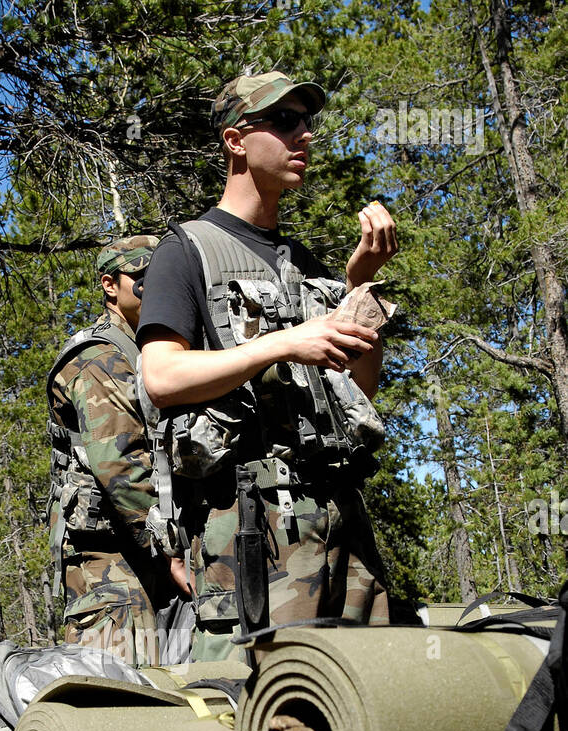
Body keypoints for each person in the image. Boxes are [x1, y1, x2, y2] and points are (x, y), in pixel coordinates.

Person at [138, 69, 399, 660]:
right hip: (253, 527)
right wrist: (282, 344)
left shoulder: (300, 260)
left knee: (373, 698)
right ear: (236, 140)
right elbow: (161, 376)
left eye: (308, 122)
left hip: (337, 520)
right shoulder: (186, 251)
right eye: (284, 122)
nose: (304, 136)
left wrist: (361, 288)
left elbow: (358, 388)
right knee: (272, 715)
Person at [47, 235, 192, 667]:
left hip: (154, 546)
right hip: (109, 558)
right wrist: (172, 552)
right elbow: (121, 465)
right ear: (111, 285)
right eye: (143, 279)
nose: (156, 288)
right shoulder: (97, 357)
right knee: (124, 688)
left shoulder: (155, 351)